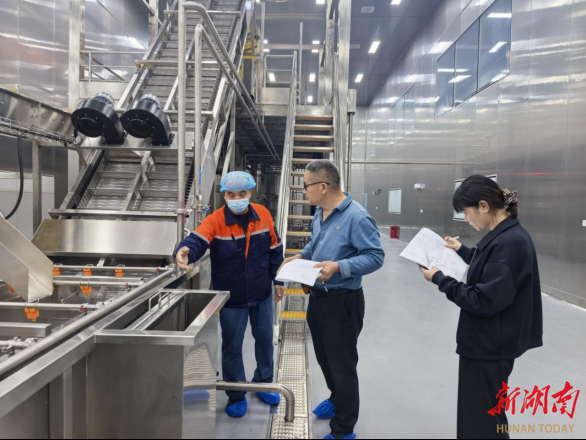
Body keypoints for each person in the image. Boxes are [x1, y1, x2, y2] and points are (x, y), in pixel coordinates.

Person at [420, 175, 543, 439]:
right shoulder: (508, 235)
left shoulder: (509, 242)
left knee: (482, 423)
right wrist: (463, 251)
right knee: (481, 415)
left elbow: (482, 300)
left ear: (484, 206)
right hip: (491, 341)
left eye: (466, 212)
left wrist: (440, 279)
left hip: (489, 346)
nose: (466, 219)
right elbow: (490, 267)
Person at [280, 160, 385, 440]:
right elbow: (315, 244)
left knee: (342, 365)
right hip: (318, 298)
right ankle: (336, 397)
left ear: (323, 187)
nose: (304, 191)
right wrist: (300, 256)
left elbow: (375, 257)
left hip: (343, 302)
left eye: (306, 186)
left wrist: (338, 267)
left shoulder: (357, 217)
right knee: (325, 358)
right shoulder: (320, 212)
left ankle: (343, 429)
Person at [176, 171, 285, 418]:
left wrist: (278, 279)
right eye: (231, 195)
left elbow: (275, 249)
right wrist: (184, 250)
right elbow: (197, 240)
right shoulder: (215, 220)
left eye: (242, 194)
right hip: (232, 298)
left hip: (261, 293)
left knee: (264, 341)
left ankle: (264, 382)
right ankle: (236, 394)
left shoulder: (263, 214)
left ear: (250, 193)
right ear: (224, 196)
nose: (237, 199)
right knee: (232, 347)